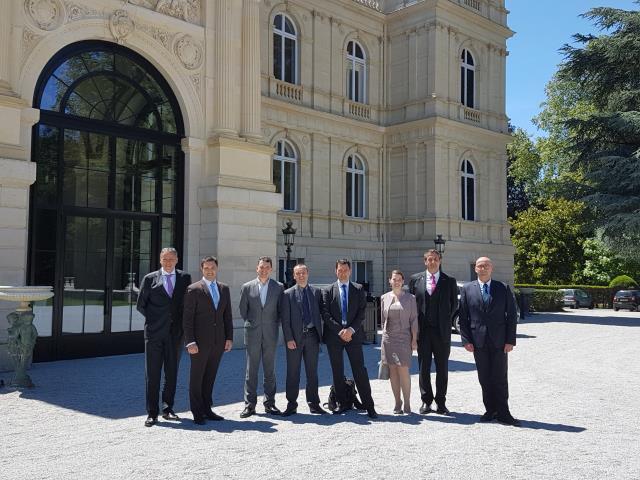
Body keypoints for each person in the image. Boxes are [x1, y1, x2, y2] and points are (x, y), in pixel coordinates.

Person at [458, 256, 520, 426]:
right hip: (478, 341)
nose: (483, 268)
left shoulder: (503, 288)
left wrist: (510, 340)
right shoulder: (467, 289)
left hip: (500, 341)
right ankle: (490, 410)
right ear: (475, 269)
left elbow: (512, 316)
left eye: (486, 266)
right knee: (484, 378)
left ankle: (503, 412)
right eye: (480, 266)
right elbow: (463, 317)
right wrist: (466, 340)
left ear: (491, 268)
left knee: (500, 377)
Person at [136, 247, 191, 427]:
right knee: (152, 374)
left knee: (172, 373)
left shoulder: (185, 278)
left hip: (175, 335)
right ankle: (152, 413)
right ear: (160, 260)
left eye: (171, 259)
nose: (168, 262)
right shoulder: (150, 278)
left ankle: (168, 409)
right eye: (164, 259)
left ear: (177, 260)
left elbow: (187, 305)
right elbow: (141, 305)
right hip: (153, 334)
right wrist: (155, 321)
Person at [321, 259, 378, 419]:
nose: (343, 273)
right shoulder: (327, 290)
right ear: (335, 271)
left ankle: (369, 405)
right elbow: (325, 314)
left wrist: (350, 330)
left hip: (354, 335)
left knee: (360, 371)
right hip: (334, 336)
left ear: (350, 271)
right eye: (340, 270)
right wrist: (340, 331)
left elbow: (362, 312)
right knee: (337, 372)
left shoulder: (358, 289)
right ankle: (342, 403)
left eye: (345, 270)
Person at [183, 256, 233, 425]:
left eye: (212, 267)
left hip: (218, 342)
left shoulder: (224, 288)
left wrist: (229, 338)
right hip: (199, 343)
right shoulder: (193, 289)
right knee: (197, 377)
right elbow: (187, 319)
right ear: (202, 269)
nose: (210, 270)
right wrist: (190, 342)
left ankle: (207, 409)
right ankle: (197, 412)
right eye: (206, 268)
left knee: (210, 376)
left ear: (217, 268)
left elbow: (227, 316)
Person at [408, 249, 458, 415]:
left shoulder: (449, 281)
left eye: (435, 259)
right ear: (425, 261)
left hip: (442, 332)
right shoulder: (415, 280)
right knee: (424, 368)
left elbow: (454, 306)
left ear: (440, 260)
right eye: (429, 259)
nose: (432, 262)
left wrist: (443, 320)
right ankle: (426, 401)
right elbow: (412, 304)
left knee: (442, 368)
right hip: (422, 332)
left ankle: (441, 402)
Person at [238, 256, 284, 417]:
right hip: (252, 333)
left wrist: (271, 325)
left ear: (271, 269)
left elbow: (280, 311)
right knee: (251, 371)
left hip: (271, 334)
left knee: (270, 371)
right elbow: (243, 311)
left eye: (267, 267)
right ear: (257, 268)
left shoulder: (278, 287)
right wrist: (254, 323)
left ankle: (269, 403)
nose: (264, 270)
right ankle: (249, 405)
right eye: (261, 267)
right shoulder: (247, 287)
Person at [281, 264, 327, 416]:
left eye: (303, 273)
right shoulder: (287, 294)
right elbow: (285, 319)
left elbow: (323, 313)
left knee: (312, 373)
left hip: (312, 337)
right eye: (297, 273)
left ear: (308, 274)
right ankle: (291, 404)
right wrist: (288, 338)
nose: (301, 276)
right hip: (294, 338)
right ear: (294, 276)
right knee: (293, 372)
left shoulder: (316, 292)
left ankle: (314, 404)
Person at [380, 270, 418, 414]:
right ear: (390, 280)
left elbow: (414, 320)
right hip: (388, 339)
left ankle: (407, 403)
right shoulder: (384, 298)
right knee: (393, 371)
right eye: (394, 279)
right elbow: (383, 321)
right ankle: (397, 402)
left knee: (403, 370)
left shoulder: (410, 298)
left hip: (404, 338)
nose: (396, 282)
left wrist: (414, 340)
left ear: (403, 281)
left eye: (399, 279)